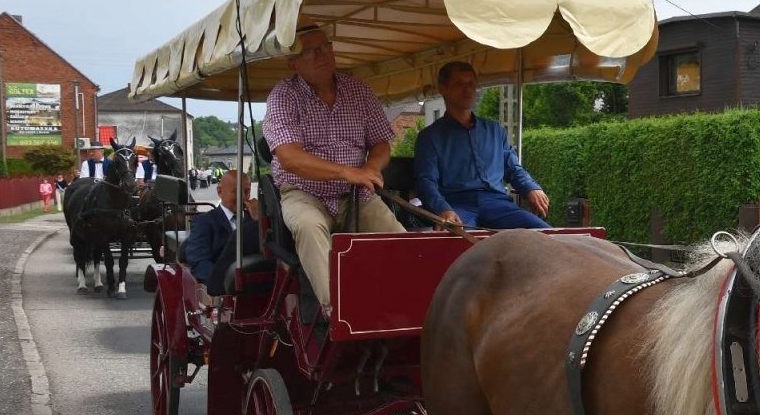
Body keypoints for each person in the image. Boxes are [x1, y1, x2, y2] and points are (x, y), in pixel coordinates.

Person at [262, 25, 404, 313]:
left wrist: (371, 169)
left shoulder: (359, 90)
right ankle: (338, 315)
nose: (322, 55)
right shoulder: (283, 96)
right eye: (311, 51)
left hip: (356, 194)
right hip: (304, 193)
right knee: (308, 226)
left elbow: (381, 144)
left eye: (326, 47)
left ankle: (408, 305)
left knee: (397, 236)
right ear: (293, 62)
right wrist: (347, 172)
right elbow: (290, 158)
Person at [414, 61, 551, 230]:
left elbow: (513, 168)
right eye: (459, 84)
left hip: (498, 205)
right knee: (452, 243)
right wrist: (443, 209)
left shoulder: (495, 130)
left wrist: (531, 189)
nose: (467, 89)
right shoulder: (430, 137)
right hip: (457, 206)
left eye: (471, 84)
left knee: (548, 236)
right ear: (443, 89)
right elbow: (426, 181)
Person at [184, 171, 261, 293]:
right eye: (236, 191)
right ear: (220, 191)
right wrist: (224, 284)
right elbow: (200, 262)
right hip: (223, 289)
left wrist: (259, 221)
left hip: (256, 285)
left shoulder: (255, 219)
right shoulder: (204, 223)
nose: (242, 197)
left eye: (246, 192)